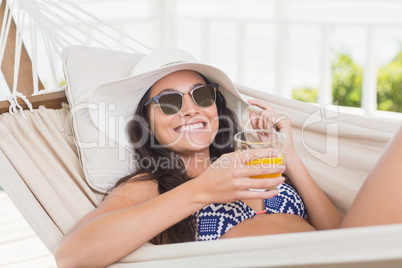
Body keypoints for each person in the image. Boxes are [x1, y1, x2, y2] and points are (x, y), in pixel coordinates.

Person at [54, 48, 402, 267]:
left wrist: (289, 155)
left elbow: (341, 238)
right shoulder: (153, 184)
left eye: (202, 96)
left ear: (216, 107)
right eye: (171, 102)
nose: (191, 110)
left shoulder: (249, 162)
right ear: (147, 121)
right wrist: (204, 190)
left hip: (341, 258)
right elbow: (73, 255)